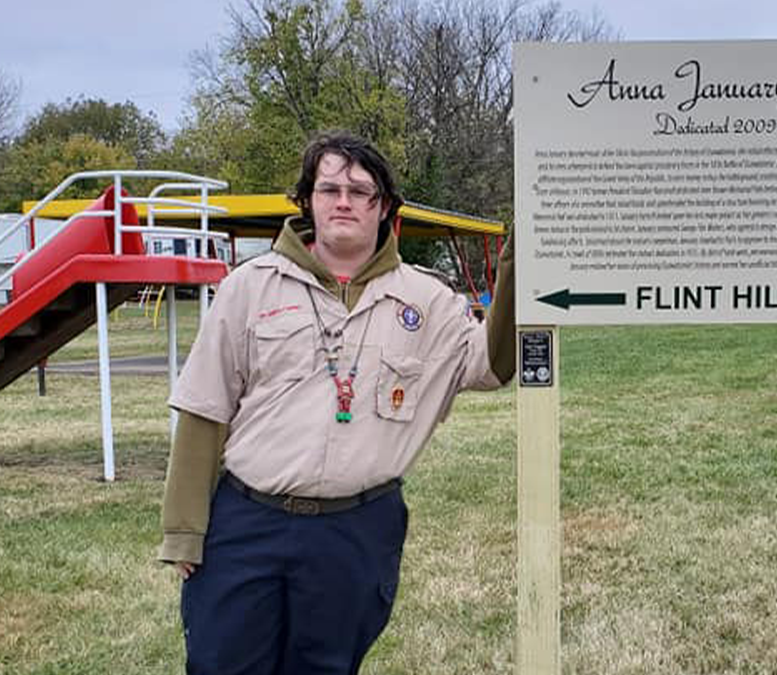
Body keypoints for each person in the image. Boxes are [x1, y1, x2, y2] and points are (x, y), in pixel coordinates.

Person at [158, 130, 515, 674]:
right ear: (308, 202)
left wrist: (521, 265)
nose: (342, 201)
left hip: (357, 528)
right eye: (328, 189)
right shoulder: (249, 287)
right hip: (247, 521)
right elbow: (205, 408)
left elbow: (492, 364)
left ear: (384, 207)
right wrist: (184, 531)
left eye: (359, 190)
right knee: (220, 663)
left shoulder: (428, 301)